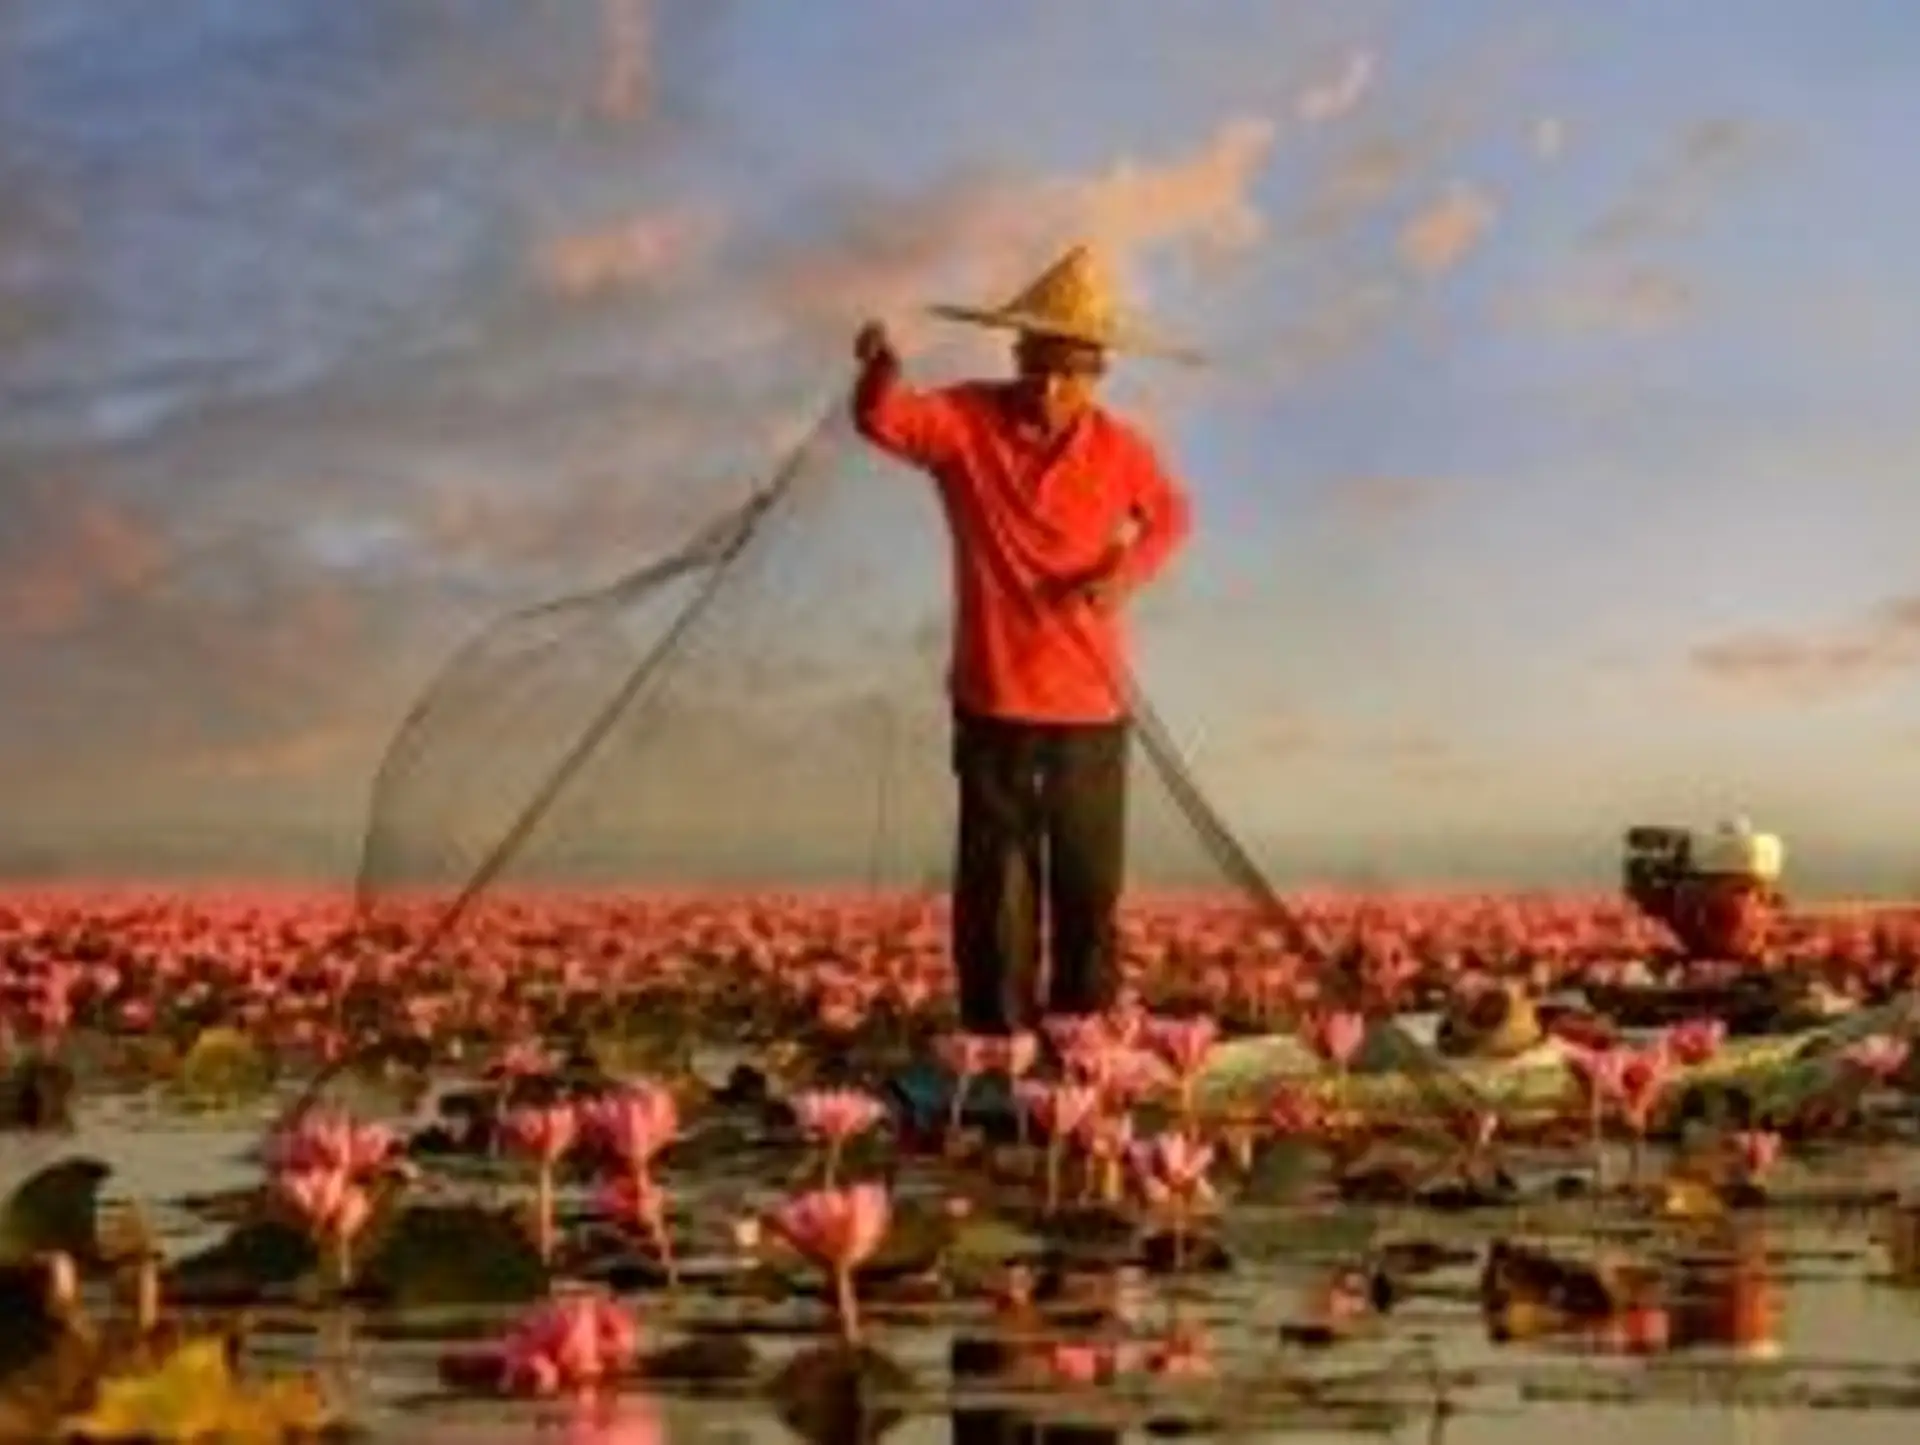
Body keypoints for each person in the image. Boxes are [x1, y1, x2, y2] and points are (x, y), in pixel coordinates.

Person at [849, 242, 1194, 1035]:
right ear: (1017, 356)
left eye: (1070, 371)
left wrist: (1124, 574)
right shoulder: (966, 421)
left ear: (1097, 373)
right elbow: (883, 420)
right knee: (997, 880)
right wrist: (881, 368)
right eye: (1037, 364)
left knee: (1088, 880)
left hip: (1092, 701)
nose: (1050, 386)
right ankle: (998, 1041)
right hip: (994, 695)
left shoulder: (1122, 449)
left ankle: (1081, 1040)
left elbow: (1172, 516)